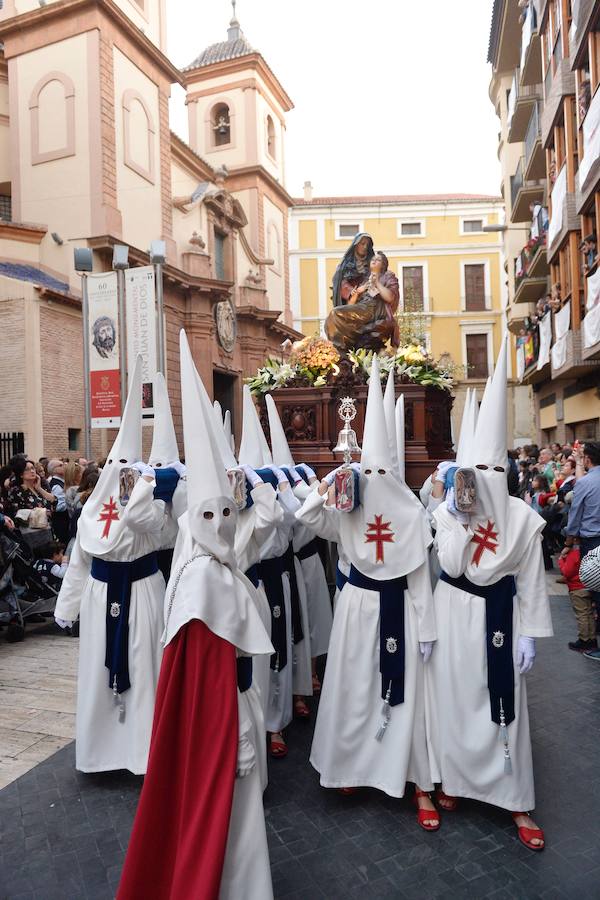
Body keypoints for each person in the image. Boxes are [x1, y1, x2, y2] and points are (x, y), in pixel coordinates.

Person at [117, 333, 274, 900]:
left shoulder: (209, 567)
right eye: (206, 513)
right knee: (227, 822)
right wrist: (239, 742)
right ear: (189, 518)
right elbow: (211, 683)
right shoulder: (204, 580)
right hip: (222, 729)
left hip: (230, 717)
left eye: (226, 512)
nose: (220, 522)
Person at [297, 356, 439, 830]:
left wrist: (428, 629)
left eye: (382, 475)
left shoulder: (413, 514)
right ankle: (352, 766)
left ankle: (417, 779)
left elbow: (419, 573)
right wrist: (329, 484)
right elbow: (308, 521)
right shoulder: (349, 501)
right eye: (368, 473)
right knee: (356, 687)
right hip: (357, 609)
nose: (374, 483)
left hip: (401, 607)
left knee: (407, 698)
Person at [426, 337, 553, 851]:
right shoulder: (448, 512)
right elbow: (452, 565)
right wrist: (455, 518)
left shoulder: (523, 519)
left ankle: (515, 797)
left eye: (499, 473)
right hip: (453, 611)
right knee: (454, 700)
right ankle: (454, 781)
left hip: (499, 615)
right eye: (482, 474)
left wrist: (530, 635)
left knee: (503, 704)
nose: (490, 483)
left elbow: (530, 581)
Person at [53, 357, 167, 775]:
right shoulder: (89, 514)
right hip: (104, 598)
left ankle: (142, 752)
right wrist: (66, 610)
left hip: (142, 594)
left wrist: (146, 491)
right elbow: (80, 564)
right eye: (117, 471)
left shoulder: (152, 507)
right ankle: (102, 752)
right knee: (100, 674)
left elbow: (156, 528)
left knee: (142, 666)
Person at [561, 441, 600, 661]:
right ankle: (589, 639)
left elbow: (575, 517)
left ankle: (590, 640)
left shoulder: (585, 483)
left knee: (595, 590)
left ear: (587, 460)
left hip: (593, 542)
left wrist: (568, 543)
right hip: (592, 539)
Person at [325, 251, 400, 352]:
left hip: (374, 309)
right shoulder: (364, 279)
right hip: (361, 308)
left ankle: (340, 349)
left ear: (383, 264)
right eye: (373, 259)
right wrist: (357, 293)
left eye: (378, 260)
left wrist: (377, 282)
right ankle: (339, 349)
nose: (374, 261)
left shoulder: (388, 276)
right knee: (331, 319)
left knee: (335, 313)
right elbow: (350, 305)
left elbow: (390, 297)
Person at [559, 544, 596, 652]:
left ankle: (584, 639)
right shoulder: (588, 552)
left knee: (582, 615)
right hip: (588, 586)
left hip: (577, 589)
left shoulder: (573, 554)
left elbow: (566, 572)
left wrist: (561, 560)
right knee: (589, 614)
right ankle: (592, 638)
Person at [331, 232, 374, 309]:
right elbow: (340, 281)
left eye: (367, 245)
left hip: (366, 295)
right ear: (356, 245)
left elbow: (373, 276)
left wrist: (365, 286)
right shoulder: (345, 263)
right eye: (362, 244)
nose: (365, 247)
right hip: (350, 297)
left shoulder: (372, 262)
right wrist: (351, 291)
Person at [5, 458, 56, 522]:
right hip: (29, 529)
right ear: (21, 474)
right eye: (27, 469)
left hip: (47, 528)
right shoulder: (16, 491)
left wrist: (39, 488)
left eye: (33, 468)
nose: (32, 471)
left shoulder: (40, 487)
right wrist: (40, 513)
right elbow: (15, 514)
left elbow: (54, 501)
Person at [47, 459, 70, 544]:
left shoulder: (61, 483)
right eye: (60, 465)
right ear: (53, 470)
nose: (64, 466)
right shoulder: (56, 485)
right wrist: (70, 503)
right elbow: (58, 507)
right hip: (61, 522)